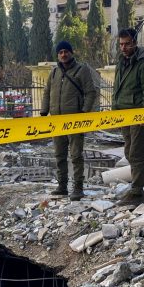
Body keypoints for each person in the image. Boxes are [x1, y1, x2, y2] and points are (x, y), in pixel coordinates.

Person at [40, 40, 96, 201]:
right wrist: (44, 111)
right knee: (59, 154)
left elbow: (91, 92)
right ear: (58, 55)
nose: (63, 54)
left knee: (76, 155)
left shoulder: (82, 70)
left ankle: (78, 187)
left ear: (71, 52)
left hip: (74, 120)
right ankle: (62, 186)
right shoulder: (55, 72)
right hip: (56, 121)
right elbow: (47, 92)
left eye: (66, 51)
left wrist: (84, 112)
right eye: (60, 52)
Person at [113, 28, 144, 207]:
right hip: (124, 115)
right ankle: (137, 186)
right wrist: (115, 110)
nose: (123, 47)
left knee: (136, 153)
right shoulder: (121, 61)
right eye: (121, 44)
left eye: (127, 44)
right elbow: (117, 87)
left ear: (134, 43)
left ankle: (137, 192)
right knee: (128, 152)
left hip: (138, 114)